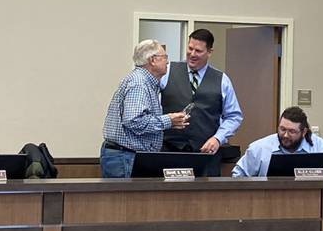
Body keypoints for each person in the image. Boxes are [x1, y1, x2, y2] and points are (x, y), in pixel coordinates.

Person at [101, 40, 189, 178]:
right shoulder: (139, 84)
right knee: (125, 200)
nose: (167, 62)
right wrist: (168, 121)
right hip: (125, 157)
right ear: (153, 60)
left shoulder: (145, 81)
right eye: (165, 57)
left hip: (127, 155)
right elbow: (134, 121)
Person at [161, 28, 243, 176]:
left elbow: (234, 116)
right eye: (190, 48)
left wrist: (218, 139)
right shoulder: (167, 72)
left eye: (198, 51)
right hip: (169, 152)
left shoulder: (222, 80)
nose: (192, 54)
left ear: (209, 52)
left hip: (206, 156)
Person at [232, 106, 323, 177]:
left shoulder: (321, 147)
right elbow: (237, 175)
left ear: (304, 132)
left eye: (291, 131)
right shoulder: (259, 148)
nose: (285, 135)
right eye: (282, 129)